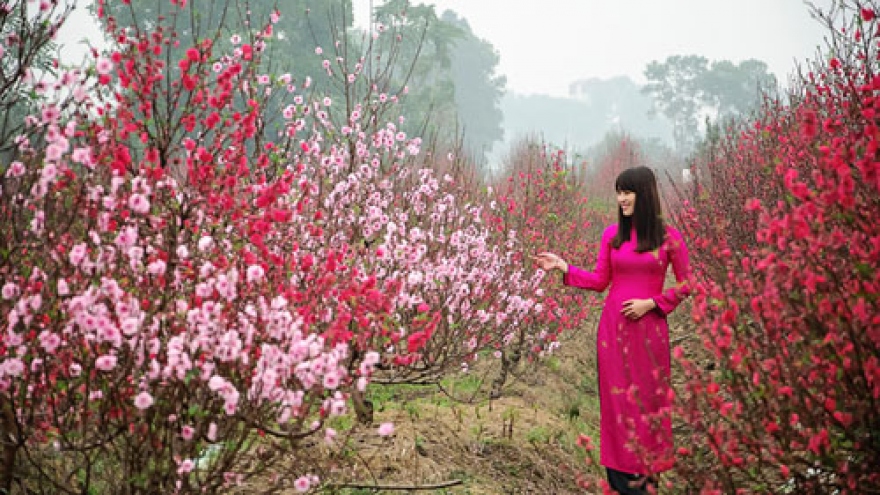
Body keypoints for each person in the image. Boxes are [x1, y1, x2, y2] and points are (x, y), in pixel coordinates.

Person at [532, 166, 690, 494]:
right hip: (614, 334)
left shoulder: (669, 238)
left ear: (644, 194)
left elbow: (688, 284)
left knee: (648, 404)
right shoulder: (611, 236)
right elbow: (600, 280)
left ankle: (647, 478)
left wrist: (653, 303)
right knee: (617, 405)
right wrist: (564, 267)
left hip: (650, 335)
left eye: (627, 192)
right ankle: (621, 485)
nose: (621, 199)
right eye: (619, 193)